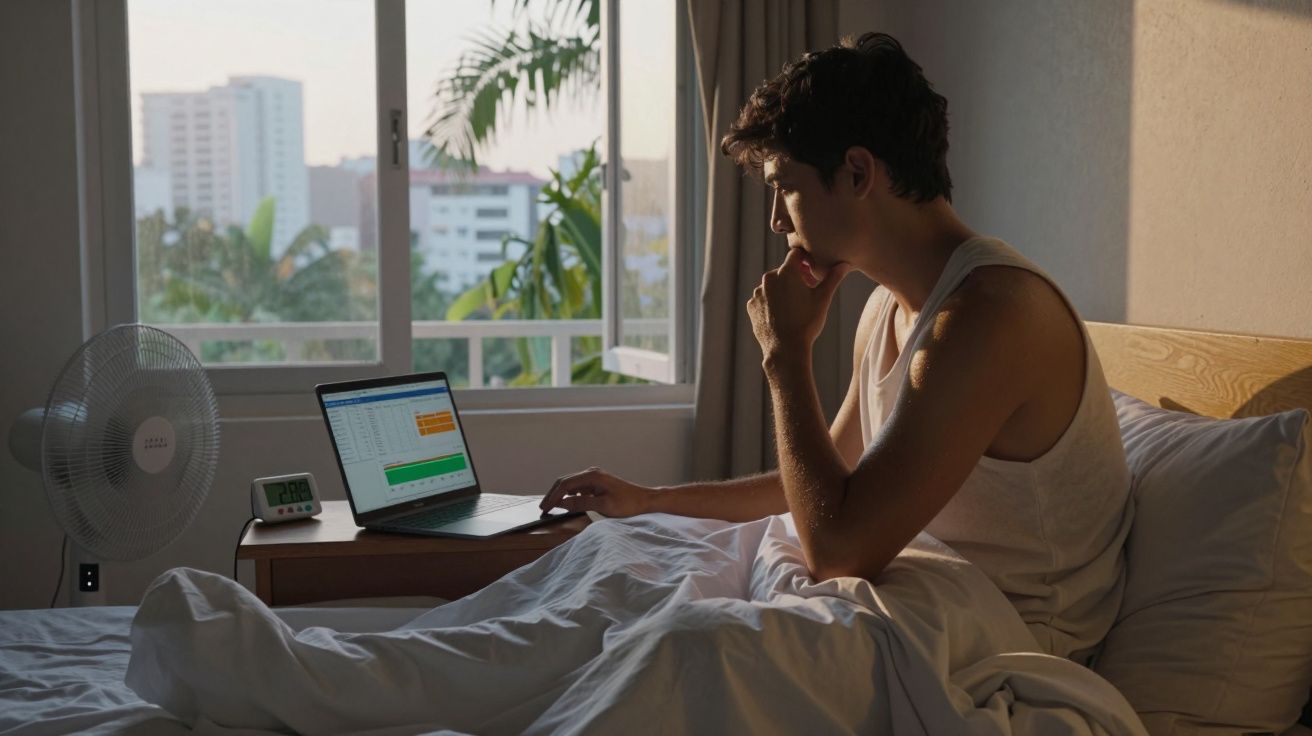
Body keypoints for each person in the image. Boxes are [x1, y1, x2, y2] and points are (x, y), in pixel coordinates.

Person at [540, 32, 1131, 664]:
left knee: (685, 647)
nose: (775, 220)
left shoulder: (992, 317)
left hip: (1010, 643)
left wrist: (786, 356)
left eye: (784, 187)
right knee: (622, 575)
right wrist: (651, 502)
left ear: (856, 172)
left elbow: (838, 547)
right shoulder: (888, 309)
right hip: (929, 606)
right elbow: (821, 492)